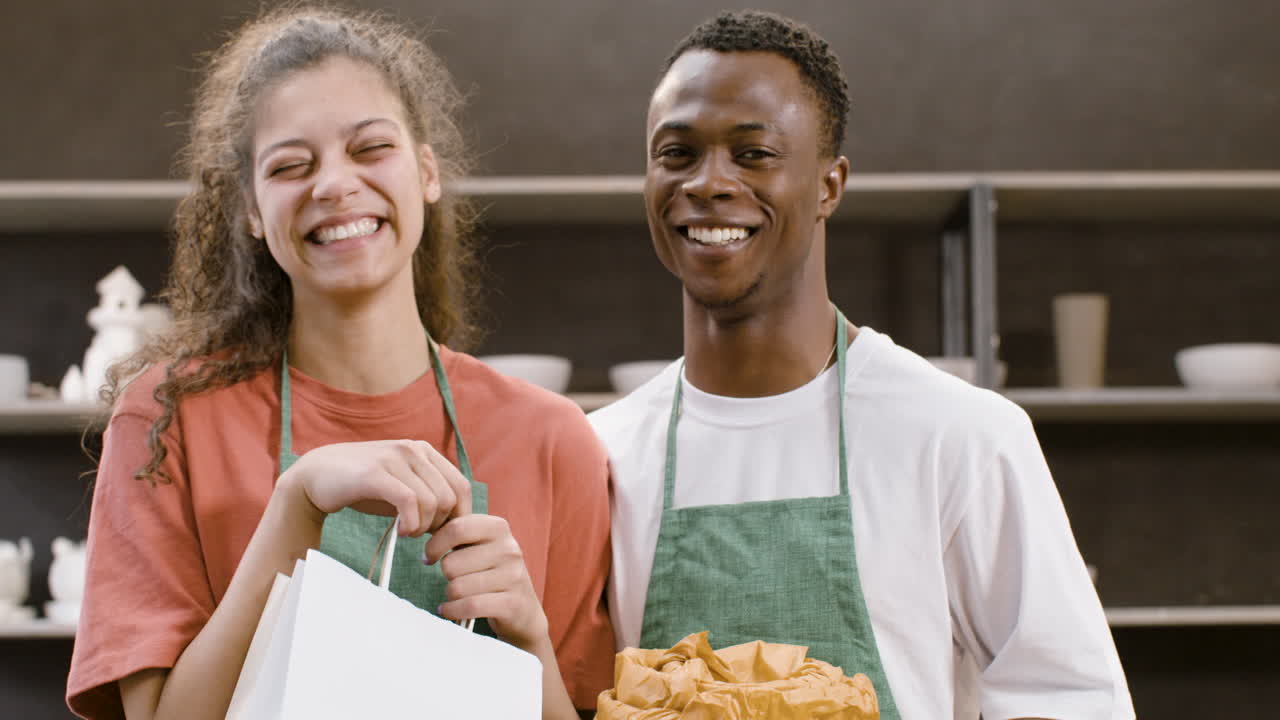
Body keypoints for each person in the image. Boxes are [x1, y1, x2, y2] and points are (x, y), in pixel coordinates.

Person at [66, 7, 613, 719]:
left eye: (369, 148)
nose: (333, 184)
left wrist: (528, 634)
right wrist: (295, 507)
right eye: (291, 166)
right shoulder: (167, 420)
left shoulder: (552, 439)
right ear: (253, 212)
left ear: (426, 172)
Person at [589, 10, 1134, 720]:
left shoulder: (957, 434)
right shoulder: (602, 453)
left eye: (753, 154)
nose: (708, 182)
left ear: (829, 185)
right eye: (678, 153)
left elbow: (1070, 703)